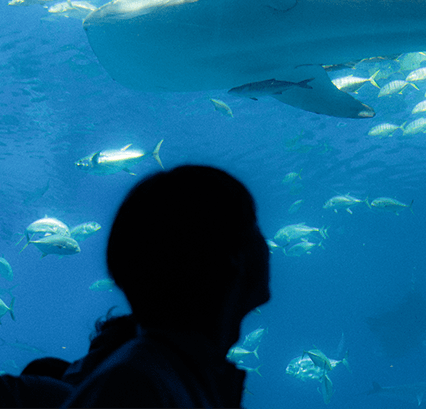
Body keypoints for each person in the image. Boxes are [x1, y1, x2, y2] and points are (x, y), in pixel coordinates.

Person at [61, 165, 271, 408]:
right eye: (254, 226)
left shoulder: (177, 375)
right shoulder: (136, 390)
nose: (266, 246)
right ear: (232, 256)